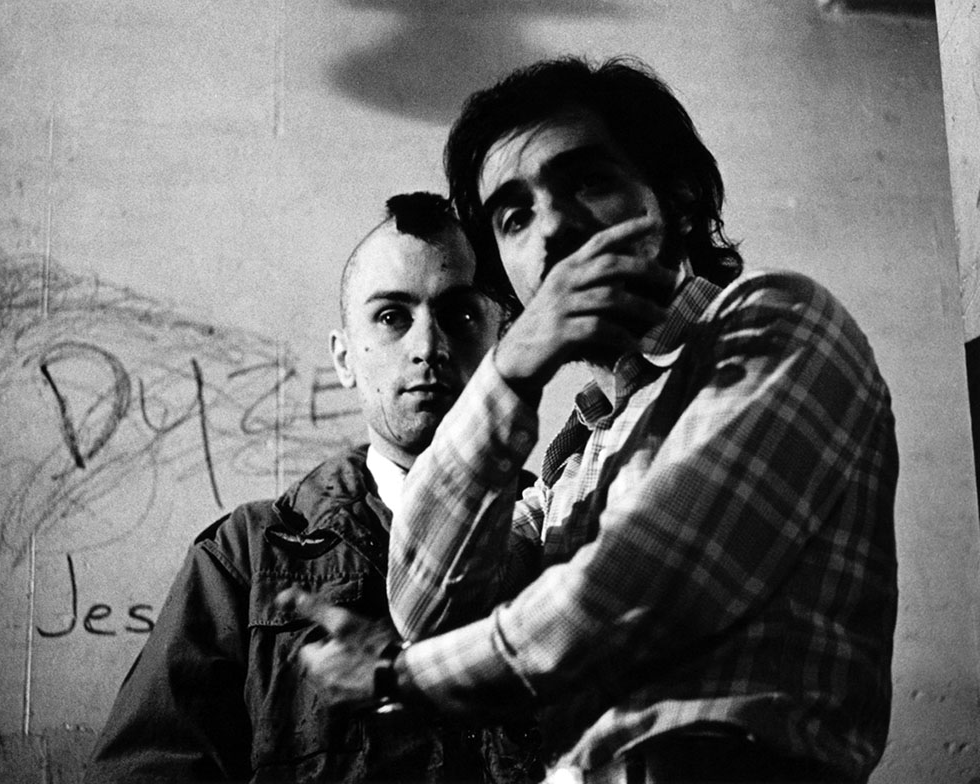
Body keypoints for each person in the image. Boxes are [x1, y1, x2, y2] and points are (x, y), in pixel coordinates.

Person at [286, 58, 899, 784]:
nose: (553, 229)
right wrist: (508, 371)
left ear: (676, 198)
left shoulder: (777, 321)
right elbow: (428, 610)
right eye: (514, 218)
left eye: (588, 181)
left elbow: (638, 592)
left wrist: (400, 679)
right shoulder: (573, 458)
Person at [84, 192, 534, 783]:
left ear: (504, 343)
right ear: (344, 359)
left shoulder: (568, 523)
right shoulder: (246, 556)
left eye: (462, 316)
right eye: (392, 317)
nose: (429, 347)